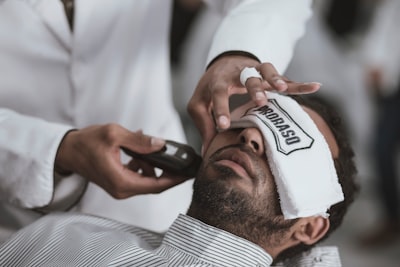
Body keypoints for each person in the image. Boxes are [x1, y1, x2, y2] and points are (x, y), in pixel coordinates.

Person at [0, 0, 321, 242]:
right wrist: (55, 150)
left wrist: (239, 52)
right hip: (17, 212)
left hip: (155, 202)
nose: (251, 137)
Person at [0, 93, 359, 266]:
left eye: (294, 149)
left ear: (309, 229)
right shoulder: (60, 235)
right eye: (253, 120)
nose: (253, 138)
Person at [358, 0, 400, 246]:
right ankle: (392, 218)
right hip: (394, 88)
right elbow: (382, 31)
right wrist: (374, 64)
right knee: (380, 149)